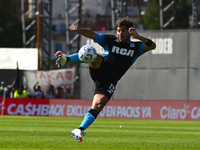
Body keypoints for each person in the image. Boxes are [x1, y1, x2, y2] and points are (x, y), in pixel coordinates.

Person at [55, 16, 156, 142]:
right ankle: (67, 59)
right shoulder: (110, 40)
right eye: (118, 30)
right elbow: (93, 35)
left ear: (130, 31)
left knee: (98, 104)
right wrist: (80, 30)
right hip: (101, 67)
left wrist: (138, 36)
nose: (120, 33)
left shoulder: (136, 47)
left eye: (123, 31)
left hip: (110, 79)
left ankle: (79, 129)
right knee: (90, 52)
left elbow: (152, 46)